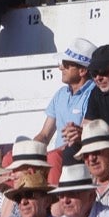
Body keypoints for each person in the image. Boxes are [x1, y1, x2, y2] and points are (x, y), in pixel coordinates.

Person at [33, 38, 96, 183]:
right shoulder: (61, 93)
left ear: (83, 70)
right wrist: (29, 151)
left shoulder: (94, 94)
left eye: (66, 65)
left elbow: (84, 137)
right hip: (59, 156)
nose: (61, 68)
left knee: (53, 158)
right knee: (13, 158)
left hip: (78, 157)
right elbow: (44, 135)